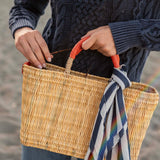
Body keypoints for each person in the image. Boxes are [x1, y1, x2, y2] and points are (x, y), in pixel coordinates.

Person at [9, 0, 160, 160]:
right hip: (51, 90)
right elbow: (24, 7)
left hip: (115, 103)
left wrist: (124, 34)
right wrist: (22, 29)